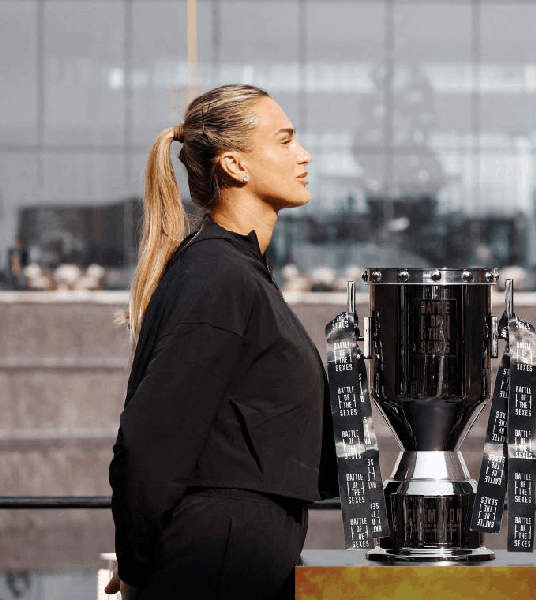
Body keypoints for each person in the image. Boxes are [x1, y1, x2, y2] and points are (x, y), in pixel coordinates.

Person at [105, 84, 339, 600]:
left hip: (237, 558)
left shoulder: (233, 274)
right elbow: (148, 439)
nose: (304, 155)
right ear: (235, 166)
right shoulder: (219, 278)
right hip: (216, 562)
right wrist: (138, 565)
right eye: (285, 140)